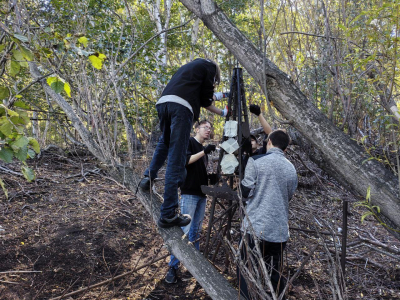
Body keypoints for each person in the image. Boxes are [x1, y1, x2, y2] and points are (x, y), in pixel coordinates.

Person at [139, 58, 228, 229]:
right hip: (181, 109)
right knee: (176, 160)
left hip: (164, 104)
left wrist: (222, 110)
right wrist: (222, 108)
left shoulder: (191, 69)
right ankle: (168, 214)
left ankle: (147, 177)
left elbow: (204, 99)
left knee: (164, 143)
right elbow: (207, 99)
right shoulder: (209, 66)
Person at [239, 130, 298, 300]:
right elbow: (289, 196)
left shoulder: (256, 162)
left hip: (255, 228)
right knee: (273, 273)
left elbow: (245, 193)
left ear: (269, 142)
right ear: (285, 149)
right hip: (279, 231)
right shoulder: (291, 168)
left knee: (246, 272)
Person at [165, 120, 216, 283]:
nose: (208, 130)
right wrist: (204, 151)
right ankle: (173, 267)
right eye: (205, 127)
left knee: (195, 232)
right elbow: (186, 161)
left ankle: (195, 267)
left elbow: (197, 171)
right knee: (184, 232)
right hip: (189, 194)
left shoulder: (203, 149)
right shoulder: (189, 142)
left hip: (201, 194)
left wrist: (210, 178)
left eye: (210, 128)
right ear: (196, 128)